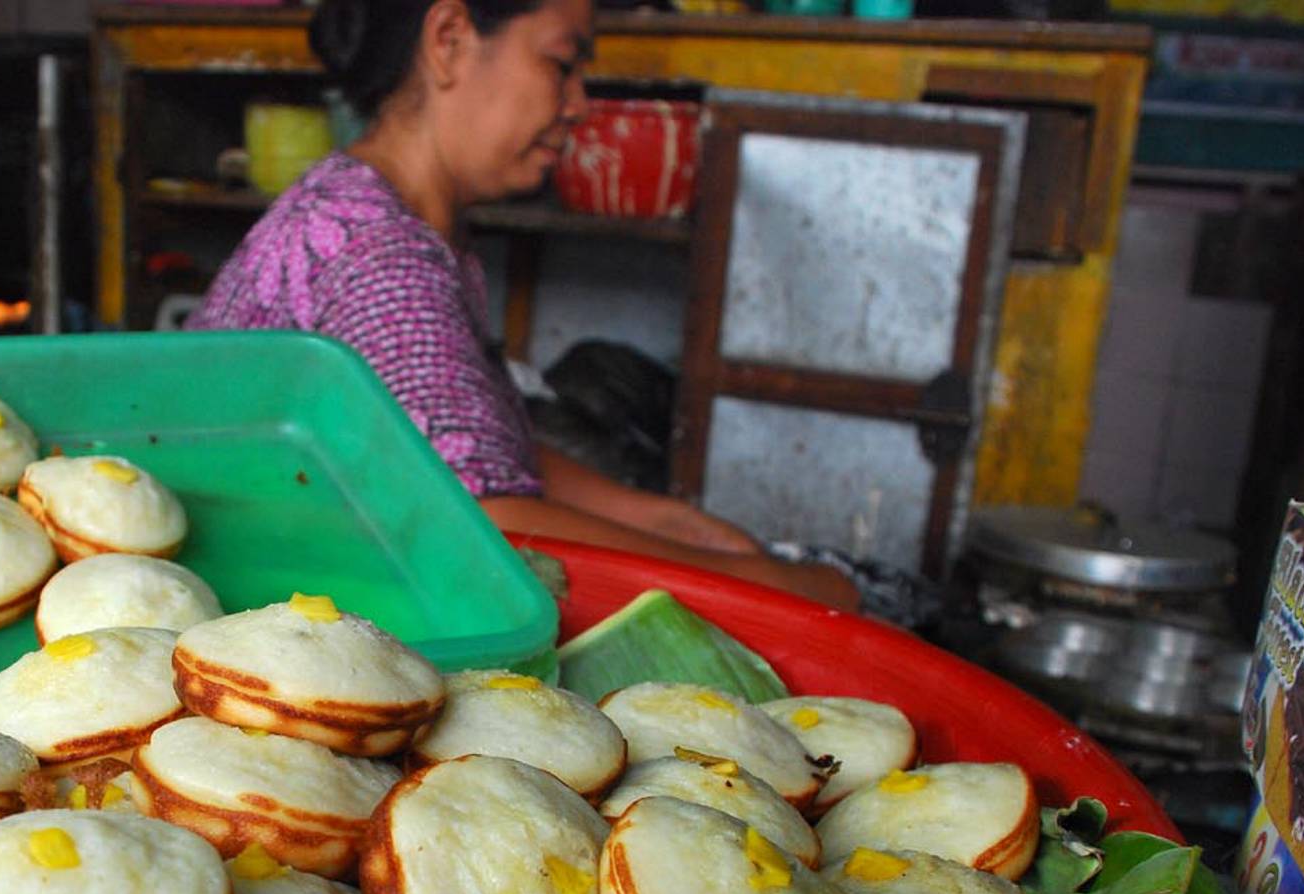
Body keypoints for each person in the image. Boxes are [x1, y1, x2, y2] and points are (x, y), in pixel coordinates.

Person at [187, 0, 859, 610]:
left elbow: (476, 453)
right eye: (561, 64)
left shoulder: (381, 211)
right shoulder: (377, 253)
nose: (578, 104)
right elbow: (487, 522)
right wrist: (778, 588)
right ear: (449, 40)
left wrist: (673, 527)